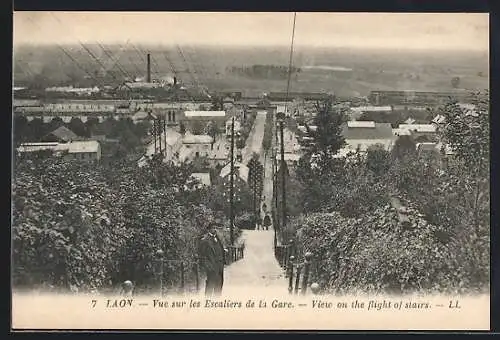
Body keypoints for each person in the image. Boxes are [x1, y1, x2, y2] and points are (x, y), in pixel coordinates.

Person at [198, 222, 226, 296]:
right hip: (211, 267)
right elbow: (202, 256)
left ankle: (217, 302)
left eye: (216, 228)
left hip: (220, 267)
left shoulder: (218, 238)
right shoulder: (205, 240)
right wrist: (208, 267)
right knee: (210, 286)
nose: (215, 229)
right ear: (209, 229)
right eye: (213, 228)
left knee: (219, 286)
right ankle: (208, 302)